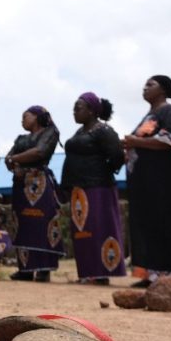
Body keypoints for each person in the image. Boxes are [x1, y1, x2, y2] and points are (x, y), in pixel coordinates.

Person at [123, 75, 171, 287]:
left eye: (150, 84)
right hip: (145, 185)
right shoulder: (148, 116)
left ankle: (168, 276)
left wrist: (136, 141)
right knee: (146, 226)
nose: (144, 88)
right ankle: (149, 274)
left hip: (164, 183)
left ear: (164, 90)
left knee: (164, 224)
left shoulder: (170, 112)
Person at [60, 92, 126, 284]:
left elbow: (116, 155)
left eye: (78, 108)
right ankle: (87, 272)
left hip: (98, 188)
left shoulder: (103, 131)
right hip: (78, 189)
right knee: (83, 232)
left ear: (91, 111)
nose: (74, 112)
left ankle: (102, 273)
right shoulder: (80, 133)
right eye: (73, 108)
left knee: (100, 229)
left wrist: (104, 170)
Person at [4, 105, 64, 282]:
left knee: (42, 223)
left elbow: (39, 152)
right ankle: (25, 269)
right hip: (20, 183)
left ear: (37, 117)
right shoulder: (21, 138)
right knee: (22, 224)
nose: (22, 120)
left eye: (26, 116)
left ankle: (44, 268)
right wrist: (14, 164)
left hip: (40, 183)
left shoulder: (50, 133)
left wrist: (14, 159)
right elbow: (7, 158)